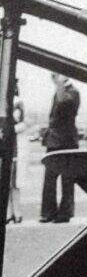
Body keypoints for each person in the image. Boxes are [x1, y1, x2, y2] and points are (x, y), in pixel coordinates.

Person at [40, 72, 80, 223]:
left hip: (66, 140)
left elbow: (64, 105)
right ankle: (49, 212)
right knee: (50, 179)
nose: (53, 79)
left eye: (55, 76)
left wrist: (60, 85)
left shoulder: (73, 92)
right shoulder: (63, 91)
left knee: (67, 179)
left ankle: (65, 213)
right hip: (55, 140)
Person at [7, 79, 29, 224]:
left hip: (14, 148)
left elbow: (19, 122)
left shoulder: (17, 102)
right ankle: (11, 212)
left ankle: (15, 212)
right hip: (8, 146)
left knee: (13, 183)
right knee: (8, 183)